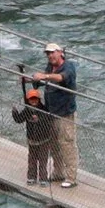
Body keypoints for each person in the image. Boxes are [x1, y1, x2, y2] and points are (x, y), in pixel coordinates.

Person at [27, 43, 78, 188]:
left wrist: (44, 76)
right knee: (54, 144)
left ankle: (71, 178)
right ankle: (58, 173)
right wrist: (31, 80)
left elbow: (61, 78)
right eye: (47, 53)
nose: (50, 56)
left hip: (64, 114)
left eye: (52, 52)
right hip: (50, 113)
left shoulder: (68, 67)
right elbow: (46, 81)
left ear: (60, 52)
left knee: (67, 145)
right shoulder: (50, 67)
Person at [12, 84, 59, 184]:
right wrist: (15, 112)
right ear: (28, 100)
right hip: (32, 140)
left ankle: (43, 178)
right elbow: (19, 119)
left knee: (43, 160)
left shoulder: (44, 110)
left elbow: (49, 119)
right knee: (32, 160)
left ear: (39, 99)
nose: (33, 101)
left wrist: (39, 120)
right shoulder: (27, 110)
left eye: (35, 99)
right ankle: (31, 177)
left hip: (44, 140)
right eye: (31, 99)